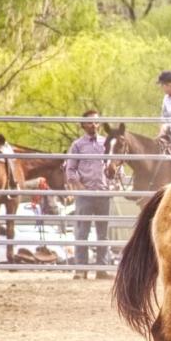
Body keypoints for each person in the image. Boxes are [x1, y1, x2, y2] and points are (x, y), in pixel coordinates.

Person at [65, 109, 113, 280]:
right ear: (83, 125)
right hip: (85, 194)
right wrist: (79, 186)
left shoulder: (106, 143)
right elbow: (70, 169)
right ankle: (81, 268)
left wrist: (112, 180)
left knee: (103, 232)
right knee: (82, 231)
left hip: (103, 192)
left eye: (96, 122)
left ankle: (101, 268)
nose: (94, 125)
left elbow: (115, 163)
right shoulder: (77, 145)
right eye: (90, 122)